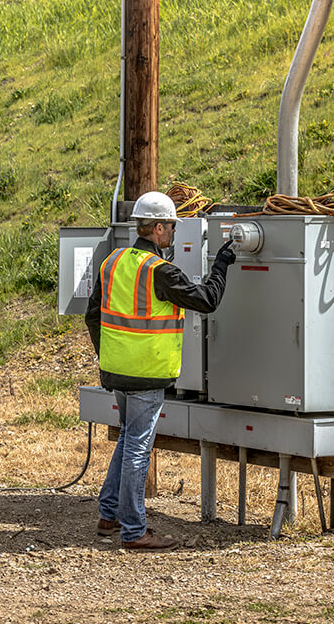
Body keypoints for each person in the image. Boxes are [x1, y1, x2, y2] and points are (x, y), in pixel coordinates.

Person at [85, 191, 235, 551]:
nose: (172, 232)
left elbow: (93, 315)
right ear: (157, 228)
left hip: (116, 370)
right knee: (138, 446)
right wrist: (223, 263)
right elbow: (207, 301)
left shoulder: (112, 261)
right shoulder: (160, 271)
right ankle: (134, 531)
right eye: (170, 226)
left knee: (127, 438)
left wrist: (109, 355)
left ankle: (110, 514)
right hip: (147, 375)